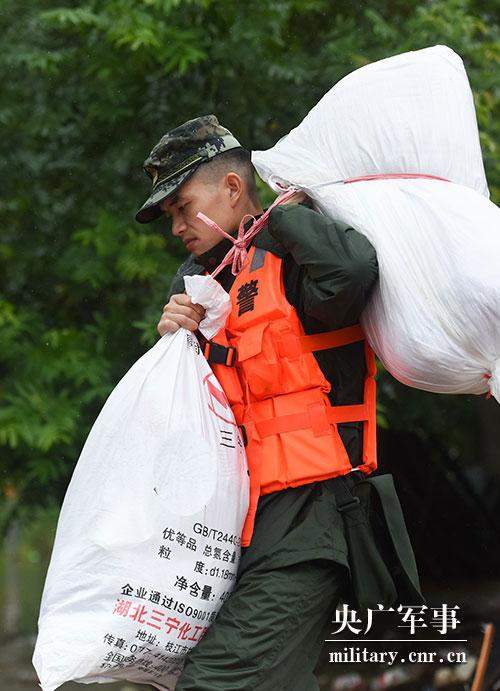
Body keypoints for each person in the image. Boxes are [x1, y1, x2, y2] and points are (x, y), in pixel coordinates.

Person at [135, 114, 425, 690]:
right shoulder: (201, 283)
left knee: (216, 682)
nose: (175, 228)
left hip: (313, 519)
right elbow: (184, 413)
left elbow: (349, 277)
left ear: (233, 188)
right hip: (235, 530)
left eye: (180, 206)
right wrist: (174, 337)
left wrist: (280, 215)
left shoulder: (296, 255)